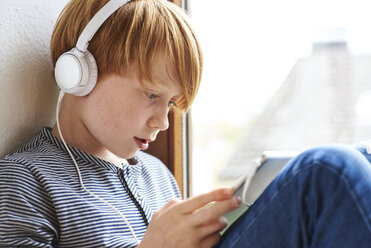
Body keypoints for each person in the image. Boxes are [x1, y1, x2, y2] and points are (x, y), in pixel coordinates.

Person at [0, 1, 371, 248]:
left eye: (171, 104)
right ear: (80, 72)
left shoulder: (156, 175)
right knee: (328, 171)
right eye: (151, 95)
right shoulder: (24, 182)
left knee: (359, 160)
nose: (162, 121)